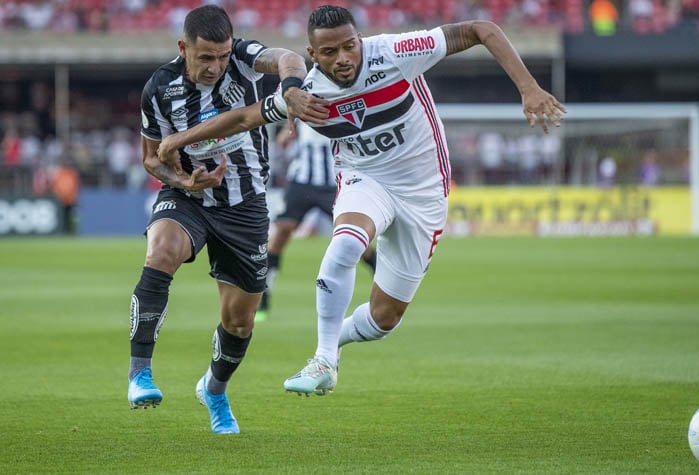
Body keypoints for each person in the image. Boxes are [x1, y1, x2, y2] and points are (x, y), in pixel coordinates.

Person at [156, 5, 566, 397]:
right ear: (313, 55)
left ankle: (335, 346)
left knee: (385, 319)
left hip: (424, 189)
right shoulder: (308, 92)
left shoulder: (395, 53)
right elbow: (244, 117)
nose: (344, 57)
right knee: (347, 243)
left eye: (350, 45)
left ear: (361, 40)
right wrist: (177, 139)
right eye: (330, 52)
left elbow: (480, 29)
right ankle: (322, 360)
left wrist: (528, 88)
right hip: (364, 178)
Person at [127, 4, 329, 434]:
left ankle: (214, 390)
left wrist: (291, 85)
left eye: (222, 56)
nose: (216, 66)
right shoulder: (159, 89)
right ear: (183, 48)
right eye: (205, 58)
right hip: (190, 198)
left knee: (239, 320)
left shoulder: (242, 59)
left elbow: (290, 58)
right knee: (162, 248)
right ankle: (139, 372)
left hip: (247, 205)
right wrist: (182, 181)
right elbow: (151, 158)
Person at [256, 120, 376, 322]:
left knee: (356, 239)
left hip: (333, 184)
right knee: (282, 232)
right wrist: (286, 136)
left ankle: (384, 280)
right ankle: (264, 296)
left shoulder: (342, 108)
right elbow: (284, 138)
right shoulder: (305, 106)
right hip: (301, 182)